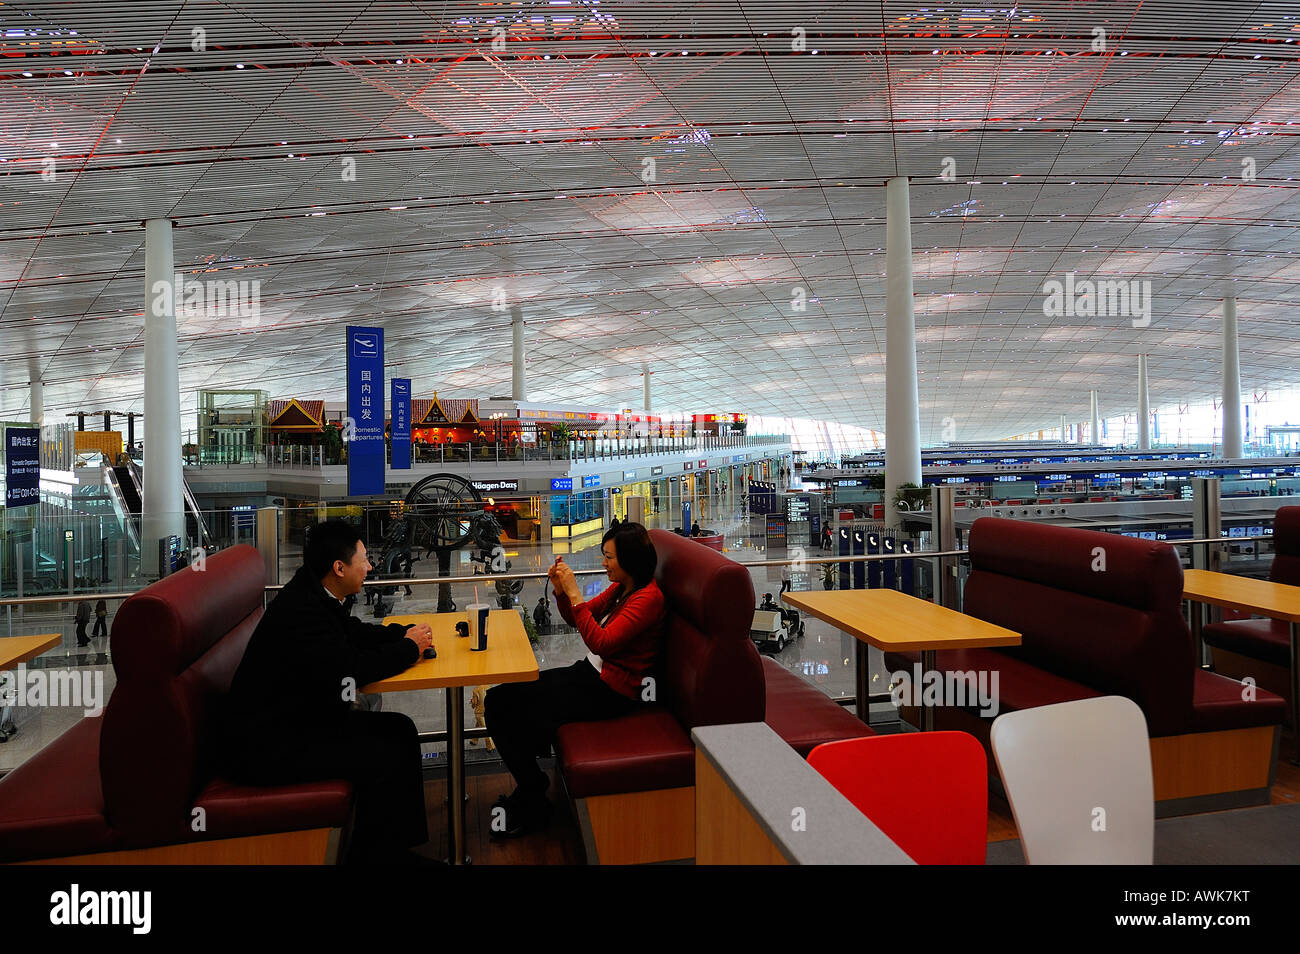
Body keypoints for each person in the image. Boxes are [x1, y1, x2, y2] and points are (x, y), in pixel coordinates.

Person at [218, 520, 437, 866]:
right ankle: (373, 856)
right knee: (382, 752)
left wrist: (401, 634)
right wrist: (408, 649)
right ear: (339, 568)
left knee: (400, 731)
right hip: (271, 749)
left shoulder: (313, 591)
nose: (370, 566)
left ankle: (394, 848)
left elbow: (349, 633)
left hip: (298, 724)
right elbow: (351, 671)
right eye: (363, 560)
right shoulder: (303, 612)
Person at [485, 522, 666, 837]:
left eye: (609, 557)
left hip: (611, 692)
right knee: (502, 699)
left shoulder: (649, 599)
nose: (603, 563)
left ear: (630, 560)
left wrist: (574, 592)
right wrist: (560, 591)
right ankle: (532, 788)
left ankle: (533, 794)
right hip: (590, 676)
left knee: (501, 703)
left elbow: (601, 642)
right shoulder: (624, 588)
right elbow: (576, 619)